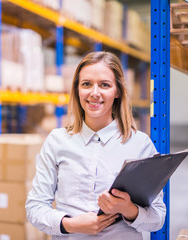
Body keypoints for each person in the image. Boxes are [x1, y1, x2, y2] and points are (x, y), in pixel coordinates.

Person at [26, 51, 166, 239]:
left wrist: (129, 209)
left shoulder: (140, 144)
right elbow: (35, 207)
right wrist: (70, 224)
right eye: (86, 84)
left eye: (105, 85)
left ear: (117, 91)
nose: (94, 93)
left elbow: (158, 218)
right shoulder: (57, 140)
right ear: (77, 89)